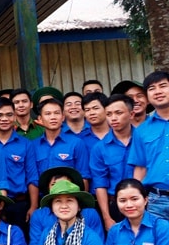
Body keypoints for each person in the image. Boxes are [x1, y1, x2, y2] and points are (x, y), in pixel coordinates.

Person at [28, 166, 104, 245]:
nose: (61, 188)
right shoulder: (40, 217)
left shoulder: (90, 215)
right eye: (54, 185)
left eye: (69, 200)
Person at [0, 97, 38, 237]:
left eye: (9, 115)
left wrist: (33, 206)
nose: (4, 119)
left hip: (19, 204)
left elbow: (32, 177)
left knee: (20, 243)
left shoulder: (25, 144)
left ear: (15, 116)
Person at [91, 94, 135, 230]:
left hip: (144, 202)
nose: (113, 118)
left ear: (131, 114)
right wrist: (106, 217)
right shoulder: (100, 148)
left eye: (118, 113)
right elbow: (100, 183)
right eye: (109, 114)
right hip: (114, 204)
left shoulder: (145, 140)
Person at [129, 71, 169, 219]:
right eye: (151, 88)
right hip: (156, 200)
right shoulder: (142, 131)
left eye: (163, 86)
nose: (157, 91)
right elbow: (140, 168)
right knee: (158, 241)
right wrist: (135, 199)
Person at [32, 98, 90, 189]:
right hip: (43, 199)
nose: (53, 117)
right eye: (48, 114)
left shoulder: (76, 143)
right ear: (40, 119)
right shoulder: (33, 146)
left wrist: (82, 202)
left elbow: (84, 176)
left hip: (70, 196)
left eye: (57, 113)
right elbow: (33, 179)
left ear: (63, 117)